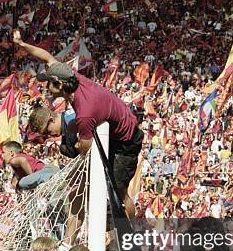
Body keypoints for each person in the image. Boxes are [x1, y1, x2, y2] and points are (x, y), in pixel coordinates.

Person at [13, 29, 143, 219]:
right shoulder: (73, 78)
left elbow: (85, 146)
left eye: (48, 83)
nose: (45, 87)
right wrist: (23, 45)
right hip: (114, 130)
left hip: (126, 142)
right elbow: (47, 57)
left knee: (118, 192)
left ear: (59, 84)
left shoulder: (85, 113)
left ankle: (127, 231)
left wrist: (77, 144)